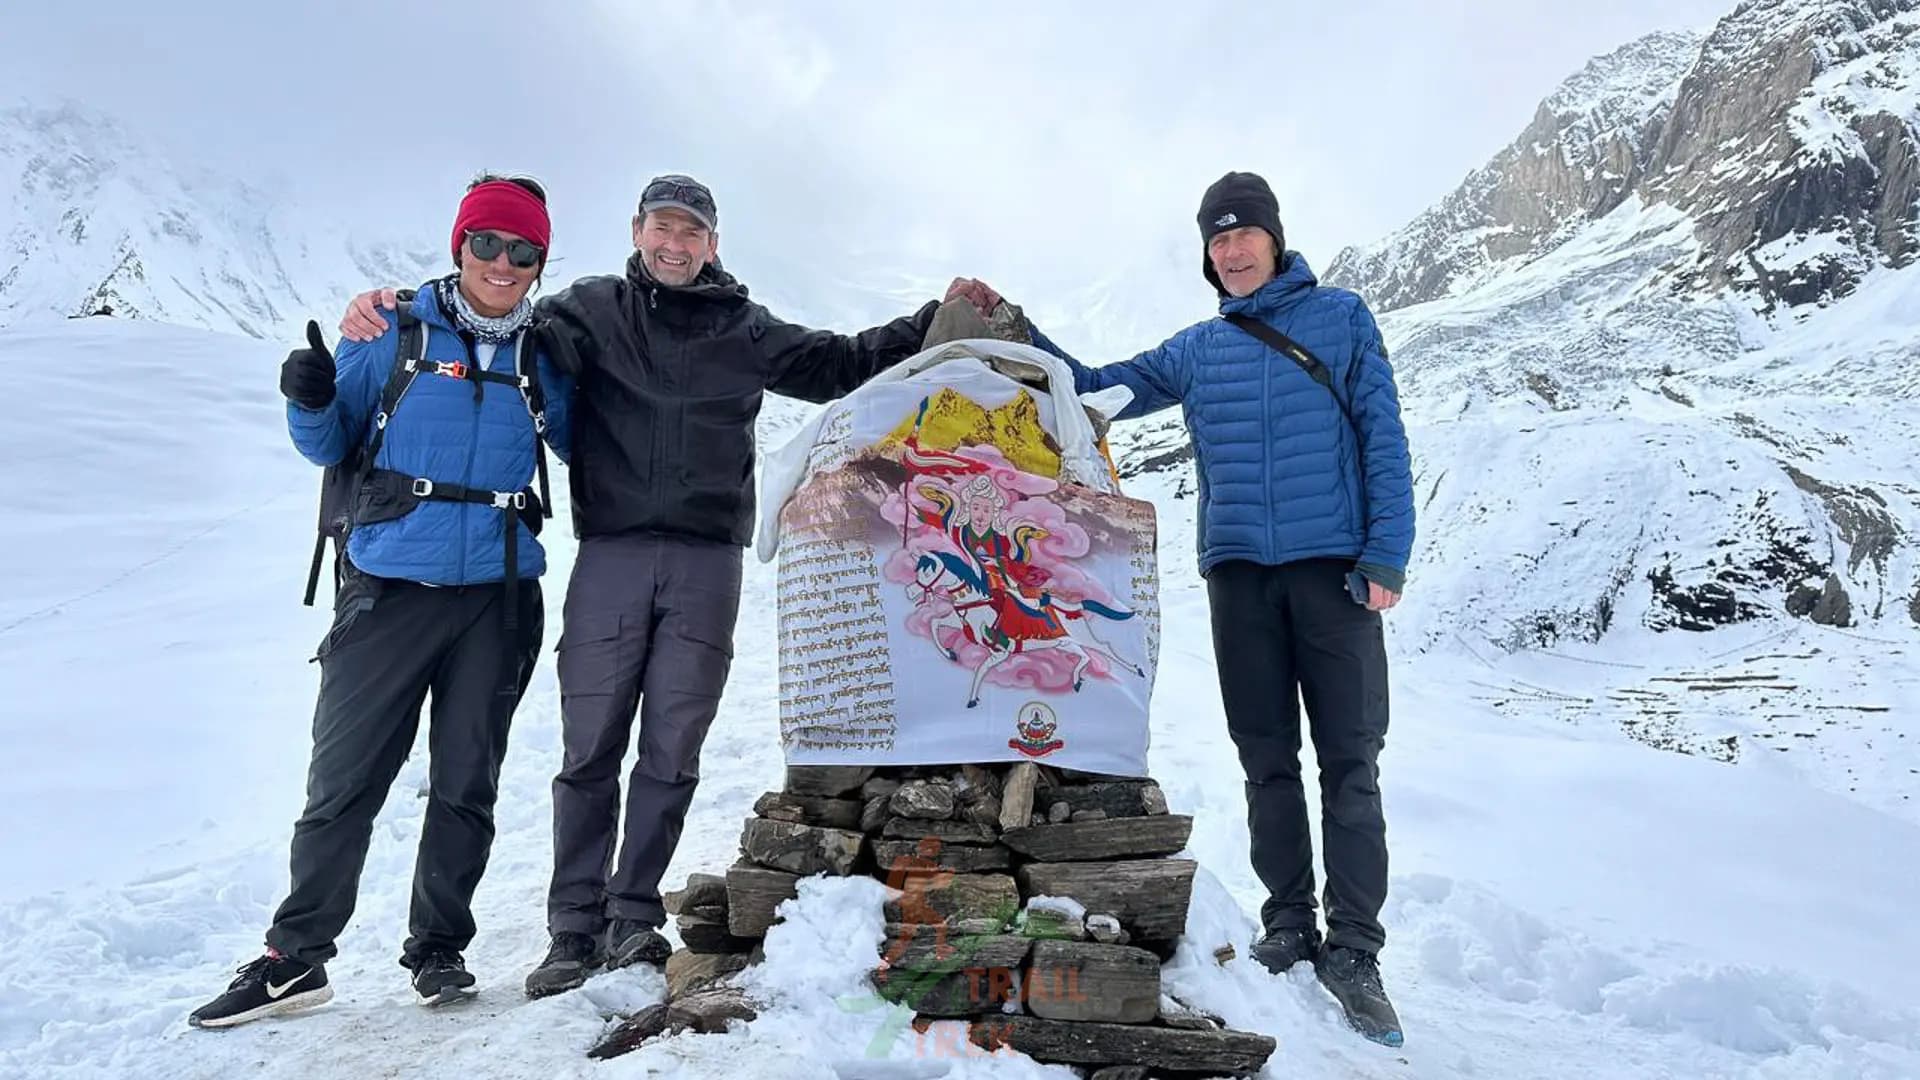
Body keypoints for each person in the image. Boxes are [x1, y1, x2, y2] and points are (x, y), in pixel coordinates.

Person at [337, 174, 987, 998]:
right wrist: (388, 305)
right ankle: (571, 930)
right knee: (590, 747)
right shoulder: (587, 310)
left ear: (712, 244)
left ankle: (633, 916)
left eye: (692, 232)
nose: (675, 245)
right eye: (662, 228)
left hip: (707, 558)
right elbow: (490, 307)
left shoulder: (743, 328)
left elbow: (840, 363)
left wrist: (935, 315)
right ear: (637, 230)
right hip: (611, 550)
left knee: (673, 749)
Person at [1011, 171, 1415, 1046]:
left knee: (1351, 762)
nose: (1230, 251)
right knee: (1266, 757)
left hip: (1334, 572)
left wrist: (1387, 552)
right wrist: (1014, 329)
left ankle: (1355, 949)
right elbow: (1094, 390)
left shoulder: (1341, 318)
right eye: (1216, 240)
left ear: (1274, 238)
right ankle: (1289, 924)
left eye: (1244, 235)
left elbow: (1383, 433)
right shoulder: (1197, 348)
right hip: (1239, 575)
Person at [189, 176, 573, 1027]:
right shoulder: (391, 329)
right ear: (458, 245)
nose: (503, 264)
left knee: (467, 781)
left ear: (541, 261)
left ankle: (439, 948)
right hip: (389, 588)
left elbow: (579, 437)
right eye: (487, 244)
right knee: (345, 781)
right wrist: (309, 395)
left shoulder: (545, 350)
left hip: (501, 596)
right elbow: (330, 442)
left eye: (523, 251)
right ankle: (295, 959)